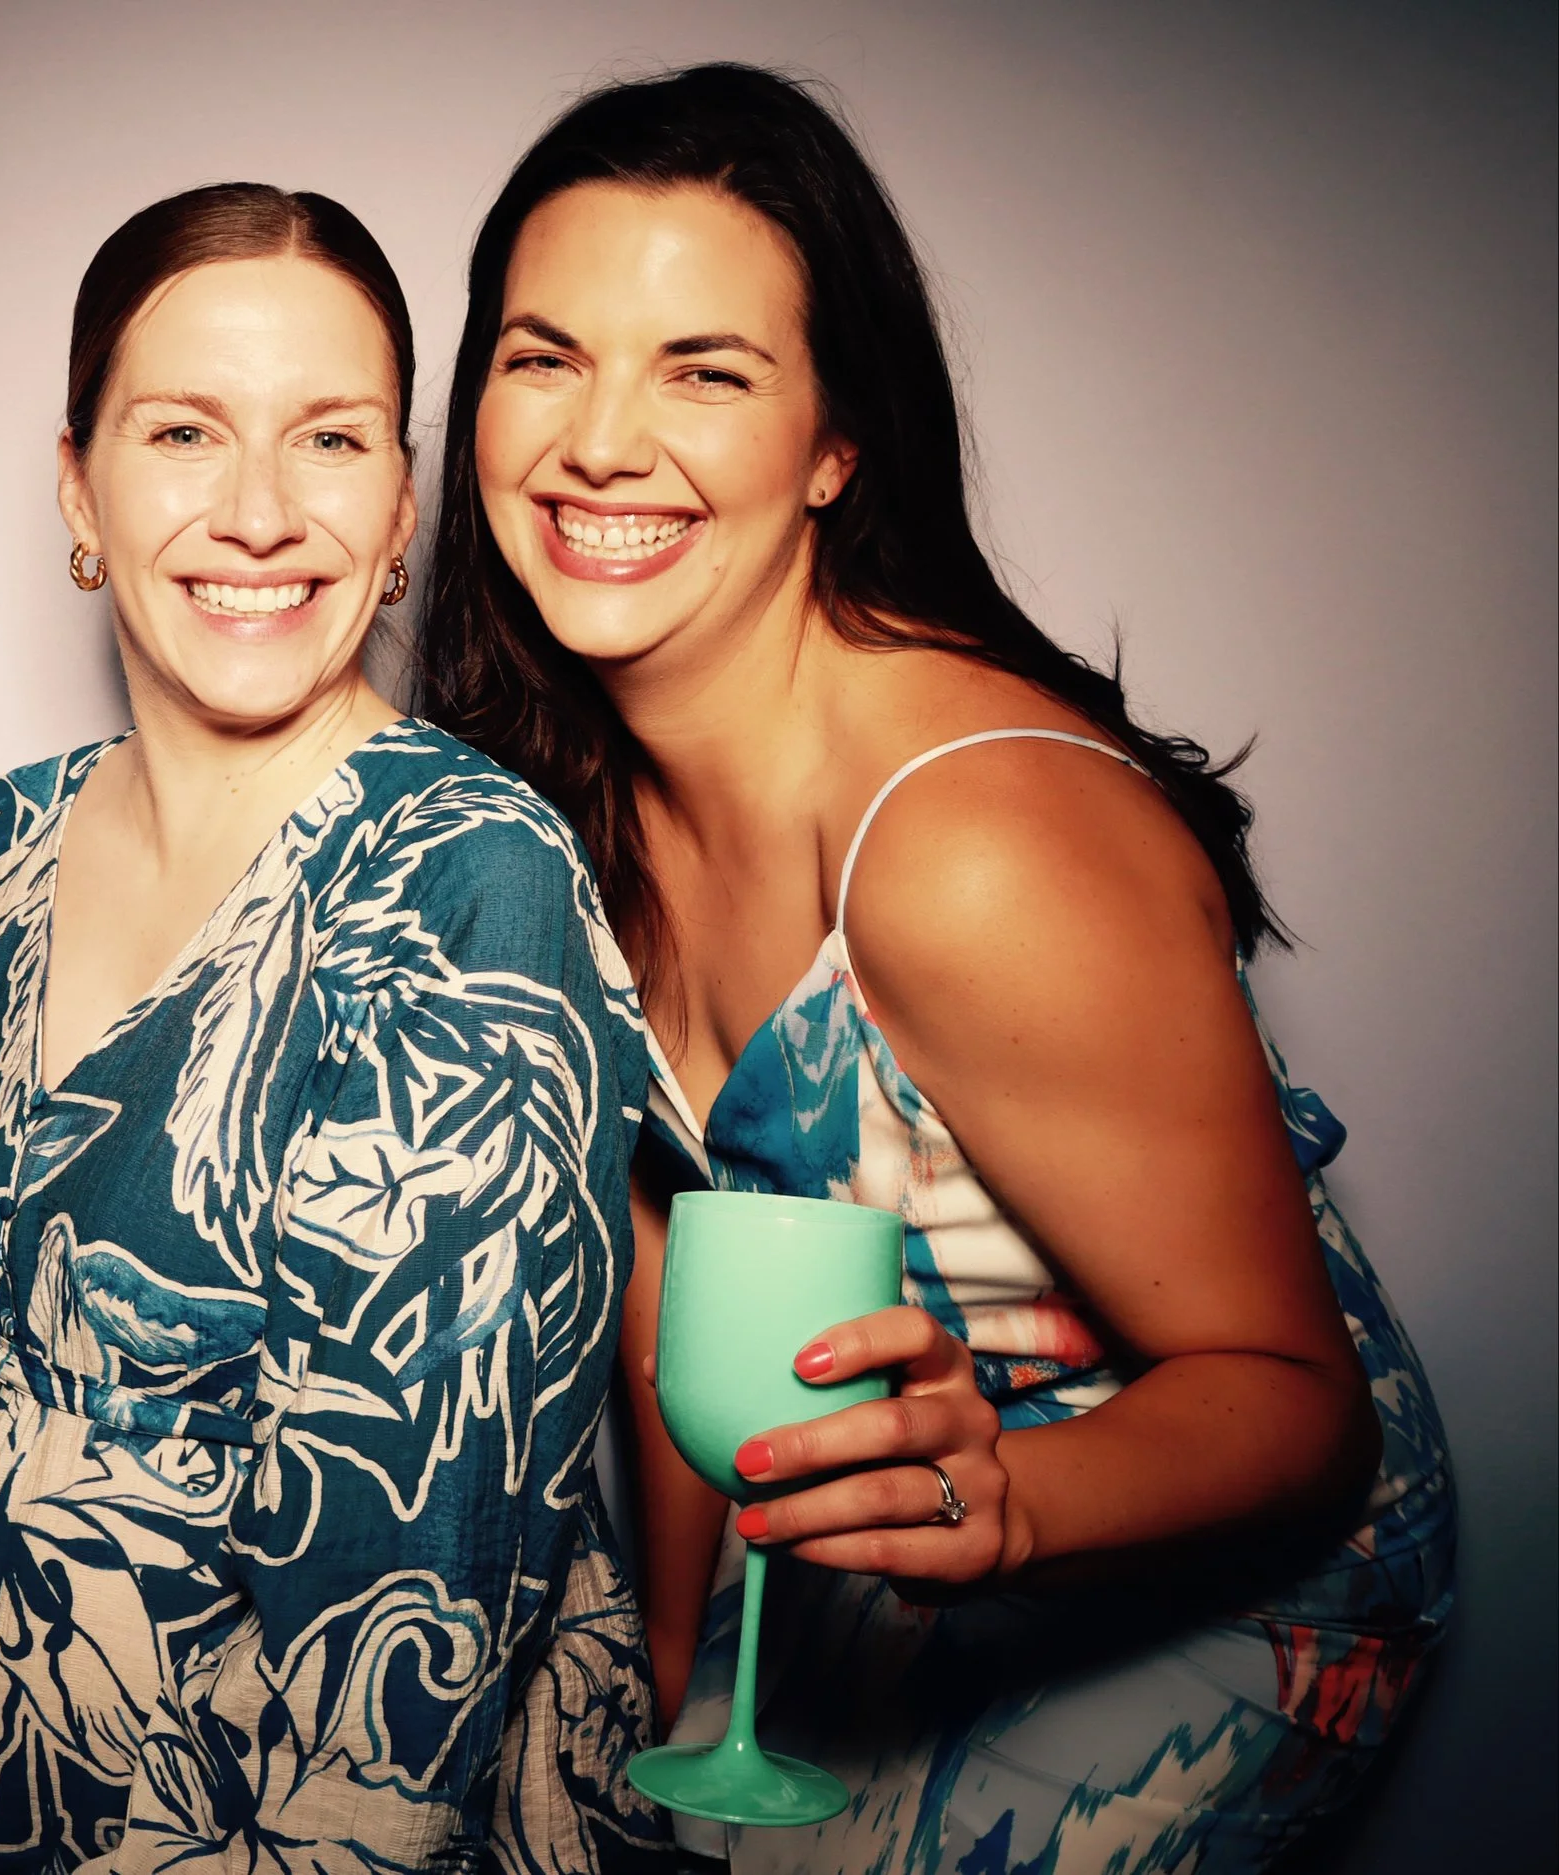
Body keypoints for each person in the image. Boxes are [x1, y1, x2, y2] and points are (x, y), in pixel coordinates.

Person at [417, 64, 1454, 1874]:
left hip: (1219, 1586)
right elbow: (678, 1273)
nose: (598, 442)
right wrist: (683, 1698)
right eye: (545, 354)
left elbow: (1302, 1404)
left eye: (705, 371)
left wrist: (1016, 1498)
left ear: (837, 442)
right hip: (889, 1549)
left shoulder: (967, 847)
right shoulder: (561, 809)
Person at [0, 182, 672, 1873]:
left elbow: (422, 1593)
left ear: (403, 497)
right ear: (79, 482)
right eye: (186, 431)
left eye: (332, 440)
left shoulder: (469, 880)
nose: (261, 511)